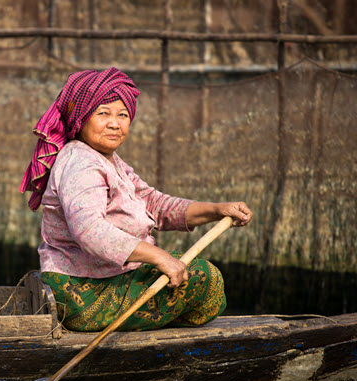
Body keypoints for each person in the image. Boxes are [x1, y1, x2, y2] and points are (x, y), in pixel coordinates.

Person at [19, 67, 252, 332]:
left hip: (104, 280)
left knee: (188, 268)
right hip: (82, 292)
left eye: (123, 115)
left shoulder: (109, 161)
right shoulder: (81, 162)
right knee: (204, 278)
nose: (115, 123)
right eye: (103, 114)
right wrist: (159, 257)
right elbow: (89, 230)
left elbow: (155, 205)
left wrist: (218, 210)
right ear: (81, 117)